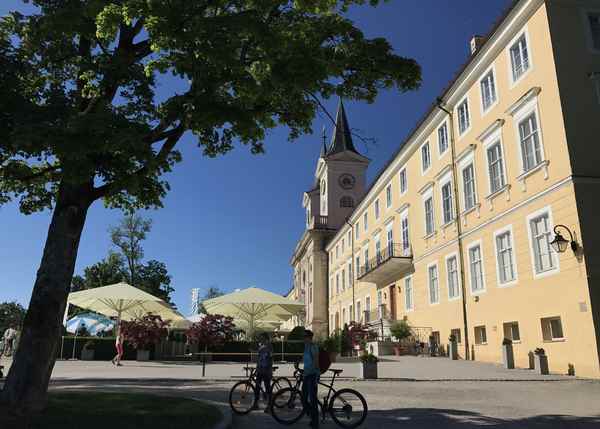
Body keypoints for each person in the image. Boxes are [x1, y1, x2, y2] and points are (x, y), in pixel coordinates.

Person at [302, 329, 320, 428]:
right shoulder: (306, 347)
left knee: (312, 399)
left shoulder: (313, 347)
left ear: (309, 338)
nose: (303, 339)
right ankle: (311, 415)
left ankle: (315, 421)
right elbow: (306, 360)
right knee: (303, 397)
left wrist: (316, 375)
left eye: (305, 337)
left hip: (312, 375)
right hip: (307, 375)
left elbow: (316, 361)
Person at [255, 333, 273, 412]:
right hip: (260, 369)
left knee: (267, 388)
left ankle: (269, 406)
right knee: (257, 387)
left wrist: (268, 368)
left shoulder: (269, 347)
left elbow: (271, 359)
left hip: (266, 370)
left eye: (262, 338)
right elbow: (259, 359)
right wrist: (257, 368)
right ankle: (255, 404)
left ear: (266, 338)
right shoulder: (260, 347)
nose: (260, 339)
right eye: (260, 338)